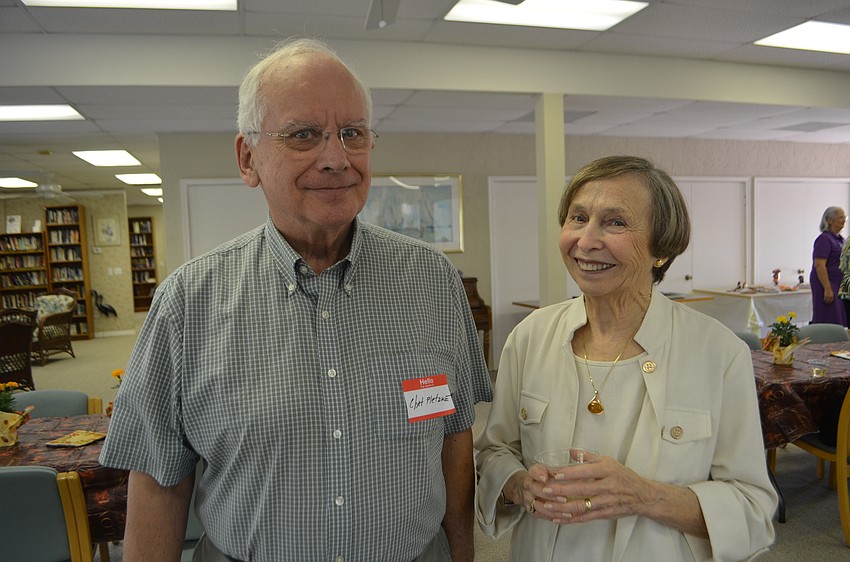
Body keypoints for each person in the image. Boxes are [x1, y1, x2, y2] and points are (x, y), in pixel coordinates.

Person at [100, 37, 492, 562]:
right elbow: (158, 481)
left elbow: (453, 437)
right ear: (248, 158)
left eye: (352, 133)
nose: (336, 158)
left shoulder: (432, 282)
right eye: (303, 135)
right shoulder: (186, 305)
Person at [475, 156, 777, 561]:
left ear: (662, 248)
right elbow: (495, 452)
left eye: (615, 222)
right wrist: (518, 485)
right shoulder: (530, 337)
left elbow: (753, 509)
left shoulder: (719, 354)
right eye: (577, 218)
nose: (585, 241)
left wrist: (642, 496)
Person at [811, 206, 847, 326]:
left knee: (841, 317)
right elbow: (819, 265)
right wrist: (827, 288)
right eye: (840, 217)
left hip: (839, 285)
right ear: (829, 220)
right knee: (830, 316)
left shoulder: (840, 239)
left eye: (845, 217)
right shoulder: (824, 239)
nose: (844, 220)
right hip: (828, 284)